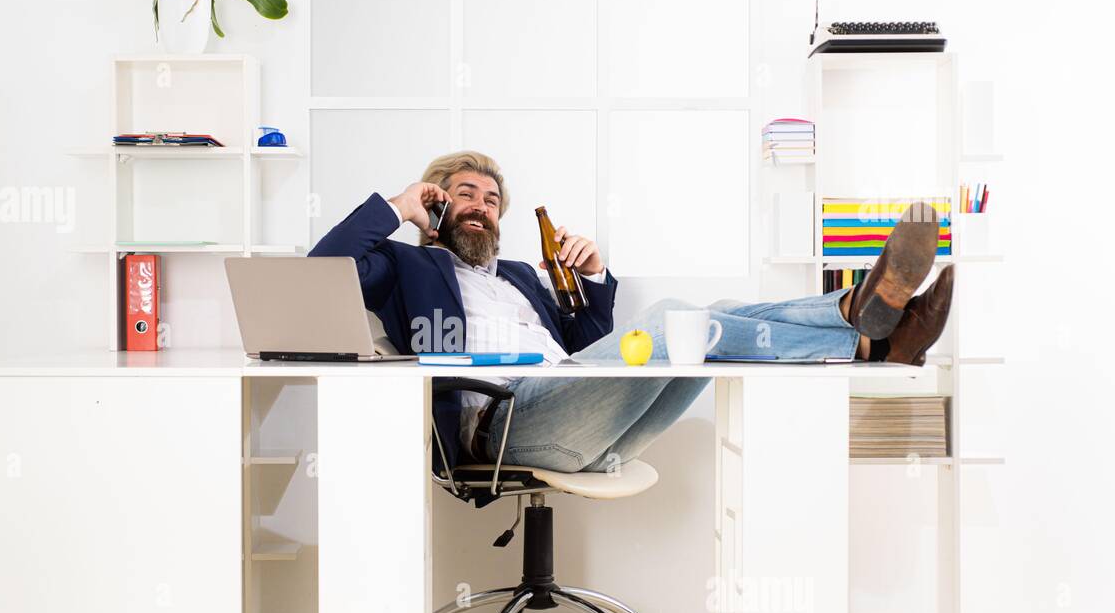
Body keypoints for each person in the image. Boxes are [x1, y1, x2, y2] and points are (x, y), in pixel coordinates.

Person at [309, 151, 954, 474]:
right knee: (680, 318)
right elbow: (320, 273)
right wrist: (397, 206)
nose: (481, 204)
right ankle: (859, 328)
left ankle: (862, 318)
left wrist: (592, 281)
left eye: (492, 198)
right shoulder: (403, 267)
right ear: (437, 204)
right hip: (497, 426)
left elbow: (592, 344)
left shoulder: (520, 278)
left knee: (716, 317)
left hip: (575, 404)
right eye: (463, 193)